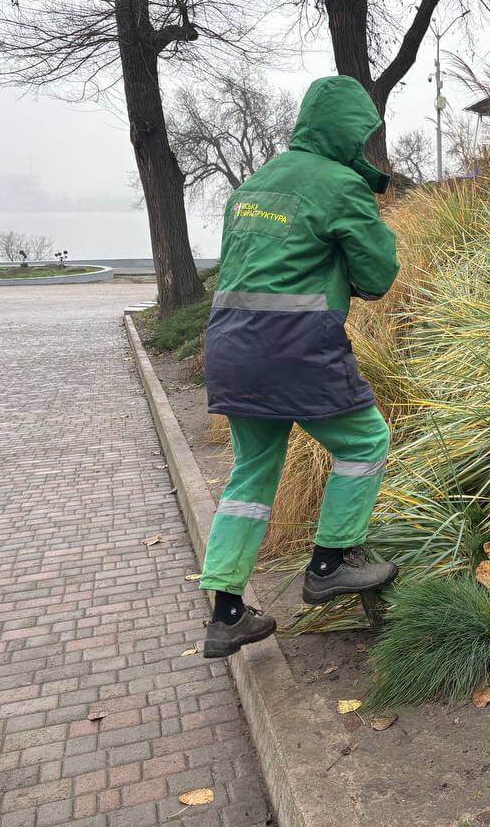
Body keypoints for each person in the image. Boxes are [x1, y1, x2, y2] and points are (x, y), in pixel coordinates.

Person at [197, 75, 400, 658]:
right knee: (365, 441)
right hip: (296, 350)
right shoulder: (341, 186)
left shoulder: (252, 185)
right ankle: (330, 562)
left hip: (231, 350)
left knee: (251, 474)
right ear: (347, 132)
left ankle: (227, 611)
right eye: (361, 135)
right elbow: (377, 276)